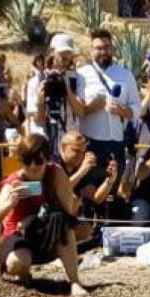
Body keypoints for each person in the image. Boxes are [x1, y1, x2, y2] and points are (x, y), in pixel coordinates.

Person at [0, 133, 87, 297]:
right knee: (17, 263)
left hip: (46, 230)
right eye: (28, 161)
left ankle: (75, 282)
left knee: (62, 223)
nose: (33, 166)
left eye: (39, 160)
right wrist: (10, 204)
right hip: (19, 235)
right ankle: (23, 274)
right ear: (21, 162)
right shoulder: (14, 182)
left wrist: (42, 210)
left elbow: (68, 211)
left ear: (47, 159)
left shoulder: (55, 173)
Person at [77, 28, 140, 203]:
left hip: (116, 143)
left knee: (111, 193)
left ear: (112, 49)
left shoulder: (125, 75)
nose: (103, 51)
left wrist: (122, 111)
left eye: (106, 47)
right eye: (98, 48)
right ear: (91, 50)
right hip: (90, 143)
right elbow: (77, 109)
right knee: (89, 194)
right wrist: (92, 107)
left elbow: (136, 109)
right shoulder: (82, 75)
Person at [27, 34, 86, 157]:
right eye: (62, 53)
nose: (65, 57)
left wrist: (67, 88)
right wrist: (40, 101)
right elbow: (38, 119)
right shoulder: (37, 81)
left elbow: (81, 111)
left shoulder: (77, 79)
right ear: (52, 52)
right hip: (45, 142)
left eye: (68, 53)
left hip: (70, 143)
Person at [58, 131, 116, 247]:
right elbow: (58, 188)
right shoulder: (54, 164)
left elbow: (96, 198)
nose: (80, 155)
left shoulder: (81, 166)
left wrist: (110, 181)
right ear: (63, 148)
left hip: (69, 217)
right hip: (49, 214)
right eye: (76, 151)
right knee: (73, 199)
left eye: (83, 152)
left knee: (87, 230)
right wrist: (82, 171)